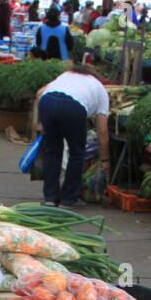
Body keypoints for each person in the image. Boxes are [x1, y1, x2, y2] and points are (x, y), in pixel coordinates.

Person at [33, 62, 110, 208]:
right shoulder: (100, 88)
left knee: (52, 152)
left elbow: (39, 93)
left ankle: (50, 197)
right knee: (76, 153)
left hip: (47, 102)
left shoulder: (66, 75)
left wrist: (42, 123)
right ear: (94, 75)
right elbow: (102, 130)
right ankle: (68, 199)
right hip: (73, 107)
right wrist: (105, 159)